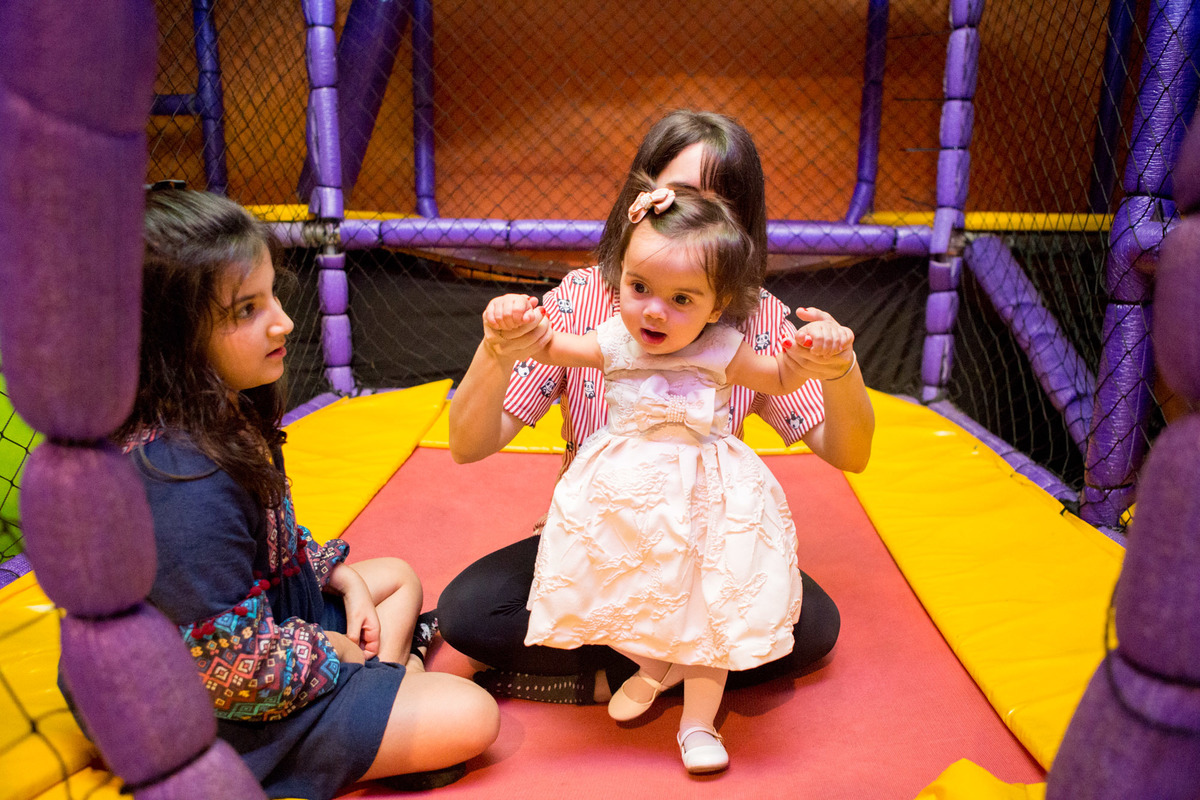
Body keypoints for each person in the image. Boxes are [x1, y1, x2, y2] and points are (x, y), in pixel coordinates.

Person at [440, 111, 873, 712]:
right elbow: (468, 443)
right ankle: (672, 666)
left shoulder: (753, 319)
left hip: (700, 555)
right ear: (639, 202)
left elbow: (849, 452)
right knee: (469, 611)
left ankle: (625, 673)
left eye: (720, 208)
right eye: (683, 199)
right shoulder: (589, 298)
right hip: (602, 544)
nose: (696, 222)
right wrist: (498, 348)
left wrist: (840, 368)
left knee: (813, 626)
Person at [117, 188, 499, 799]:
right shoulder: (180, 483)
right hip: (214, 703)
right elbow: (227, 667)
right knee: (472, 714)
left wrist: (335, 576)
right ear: (171, 336)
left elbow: (270, 541)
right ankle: (383, 702)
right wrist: (334, 649)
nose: (284, 321)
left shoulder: (223, 414)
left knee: (394, 578)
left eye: (271, 295)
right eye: (246, 311)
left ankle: (388, 694)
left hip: (265, 625)